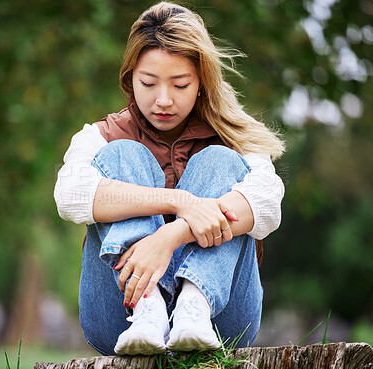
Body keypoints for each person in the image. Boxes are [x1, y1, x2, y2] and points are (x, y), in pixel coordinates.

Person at [54, 1, 285, 356]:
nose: (163, 100)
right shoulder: (102, 137)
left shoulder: (238, 139)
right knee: (122, 155)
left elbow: (267, 205)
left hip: (221, 320)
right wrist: (180, 202)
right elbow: (69, 196)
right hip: (122, 316)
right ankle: (149, 306)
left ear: (201, 83)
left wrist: (169, 236)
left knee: (220, 161)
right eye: (149, 82)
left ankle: (194, 305)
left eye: (180, 85)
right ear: (130, 77)